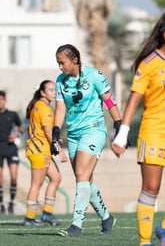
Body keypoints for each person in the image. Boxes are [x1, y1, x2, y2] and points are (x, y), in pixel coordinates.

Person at [112, 10, 165, 246]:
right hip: (155, 133)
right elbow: (134, 101)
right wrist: (122, 135)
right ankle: (144, 242)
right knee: (151, 187)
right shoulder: (148, 64)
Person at [51, 44, 121, 237]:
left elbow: (108, 100)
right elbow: (60, 109)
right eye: (58, 63)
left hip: (94, 130)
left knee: (81, 174)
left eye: (62, 62)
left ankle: (76, 225)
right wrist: (56, 131)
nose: (60, 67)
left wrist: (118, 123)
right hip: (73, 135)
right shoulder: (60, 81)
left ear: (75, 60)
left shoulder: (94, 75)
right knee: (85, 180)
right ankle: (106, 218)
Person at [23, 80, 68, 227]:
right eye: (50, 90)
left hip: (40, 150)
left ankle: (47, 213)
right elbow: (49, 133)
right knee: (36, 184)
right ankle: (29, 218)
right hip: (39, 150)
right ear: (42, 93)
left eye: (54, 90)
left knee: (56, 178)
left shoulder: (39, 105)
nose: (54, 92)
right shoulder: (44, 109)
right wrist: (60, 151)